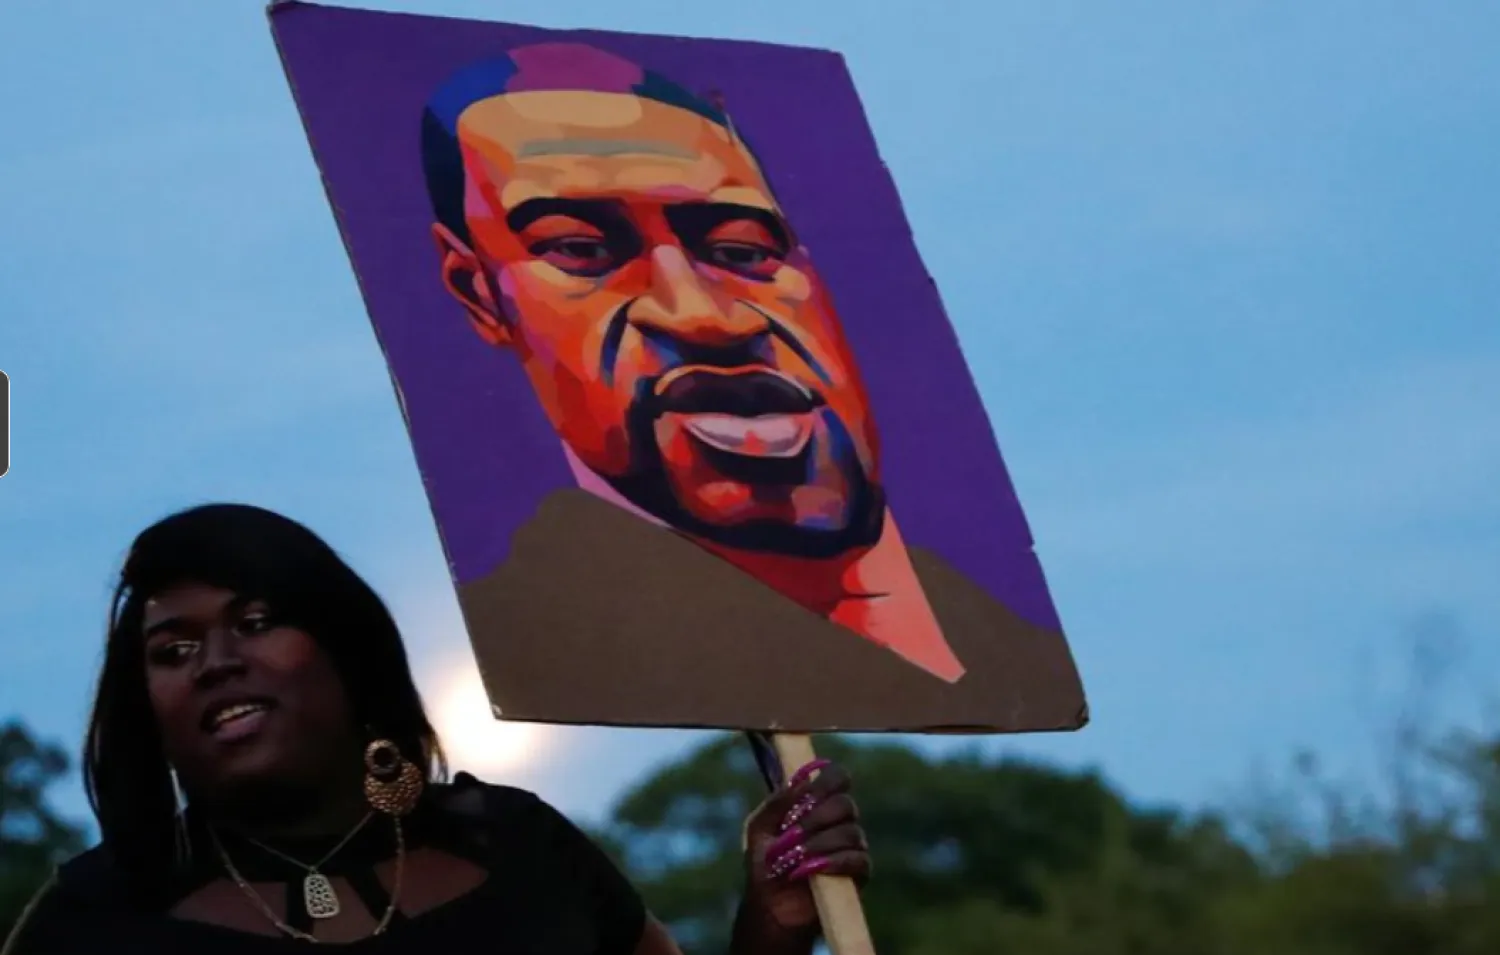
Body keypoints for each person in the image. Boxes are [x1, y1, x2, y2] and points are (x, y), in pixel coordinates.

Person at [2, 503, 871, 954]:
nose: (215, 660)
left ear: (347, 648)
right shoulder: (91, 922)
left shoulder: (520, 848)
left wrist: (777, 918)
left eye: (259, 620)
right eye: (174, 647)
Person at [421, 44, 965, 684]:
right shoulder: (563, 641)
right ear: (479, 294)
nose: (704, 317)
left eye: (742, 250)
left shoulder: (1003, 645)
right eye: (579, 249)